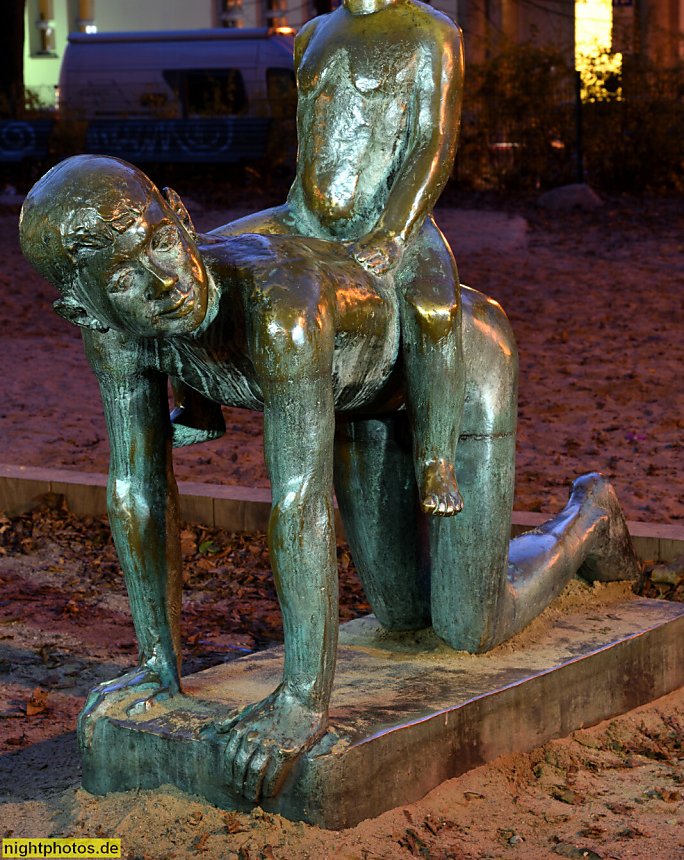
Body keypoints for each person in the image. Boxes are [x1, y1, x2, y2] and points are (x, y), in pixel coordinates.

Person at [19, 155, 640, 804]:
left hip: (460, 374)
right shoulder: (120, 336)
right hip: (361, 401)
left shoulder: (276, 306)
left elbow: (299, 503)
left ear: (179, 214)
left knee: (469, 627)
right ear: (83, 310)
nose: (162, 280)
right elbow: (136, 489)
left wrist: (301, 702)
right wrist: (157, 667)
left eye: (161, 241)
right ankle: (525, 541)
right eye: (122, 276)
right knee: (401, 616)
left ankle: (589, 515)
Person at [178, 0, 466, 517]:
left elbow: (432, 146)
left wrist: (393, 235)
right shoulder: (310, 36)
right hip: (303, 217)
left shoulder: (431, 33)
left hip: (397, 226)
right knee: (200, 261)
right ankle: (199, 399)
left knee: (434, 312)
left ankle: (436, 460)